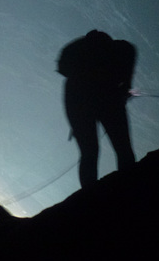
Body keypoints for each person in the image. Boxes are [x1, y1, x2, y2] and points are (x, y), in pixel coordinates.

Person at [58, 30, 136, 189]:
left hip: (76, 98)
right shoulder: (123, 51)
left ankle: (89, 194)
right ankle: (129, 188)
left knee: (89, 152)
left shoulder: (80, 58)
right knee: (123, 148)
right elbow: (126, 79)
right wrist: (125, 87)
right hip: (107, 96)